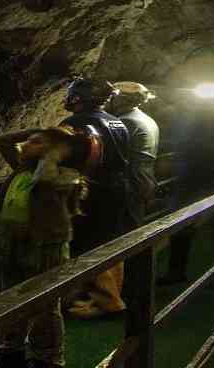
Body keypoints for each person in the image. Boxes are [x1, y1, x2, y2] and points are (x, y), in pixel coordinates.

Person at [0, 126, 89, 368]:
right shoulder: (23, 168)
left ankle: (47, 357)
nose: (25, 145)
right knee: (11, 299)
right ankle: (11, 348)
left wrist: (53, 153)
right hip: (12, 242)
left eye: (35, 143)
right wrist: (40, 132)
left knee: (45, 305)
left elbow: (44, 180)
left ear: (55, 152)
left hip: (45, 247)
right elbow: (4, 141)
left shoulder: (66, 175)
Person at [62, 77, 141, 319]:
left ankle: (108, 302)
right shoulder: (116, 122)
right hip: (118, 188)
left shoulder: (77, 122)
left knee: (88, 245)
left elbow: (67, 158)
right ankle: (103, 297)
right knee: (110, 244)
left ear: (79, 97)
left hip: (93, 190)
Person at [158, 95, 214, 286]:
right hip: (201, 174)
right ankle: (178, 272)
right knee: (185, 222)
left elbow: (184, 143)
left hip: (213, 174)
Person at [109, 82, 161, 215]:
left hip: (130, 183)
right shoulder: (146, 119)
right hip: (144, 180)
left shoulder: (126, 121)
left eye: (111, 96)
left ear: (122, 99)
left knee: (122, 230)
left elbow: (113, 156)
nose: (108, 100)